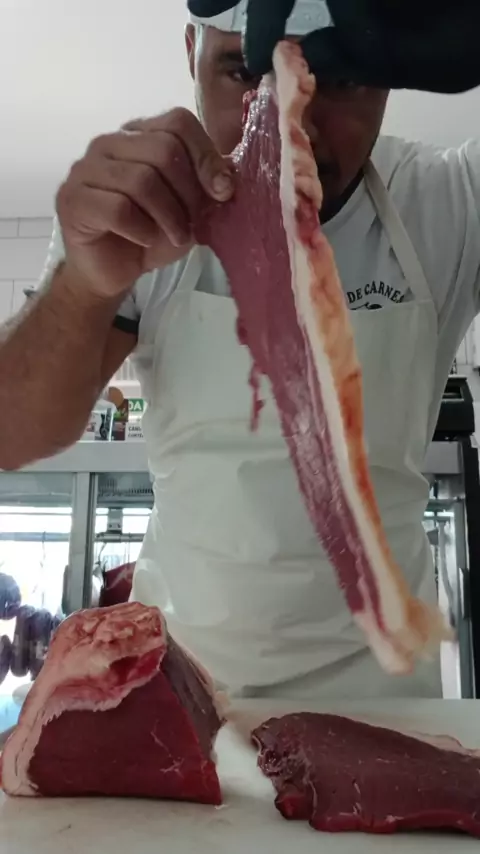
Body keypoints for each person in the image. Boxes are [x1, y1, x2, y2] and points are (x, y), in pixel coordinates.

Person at [1, 0, 479, 700]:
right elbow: (13, 432)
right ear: (190, 53)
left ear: (391, 74)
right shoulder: (140, 203)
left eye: (341, 76)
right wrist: (82, 286)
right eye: (243, 71)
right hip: (177, 689)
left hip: (382, 702)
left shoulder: (448, 202)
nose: (293, 128)